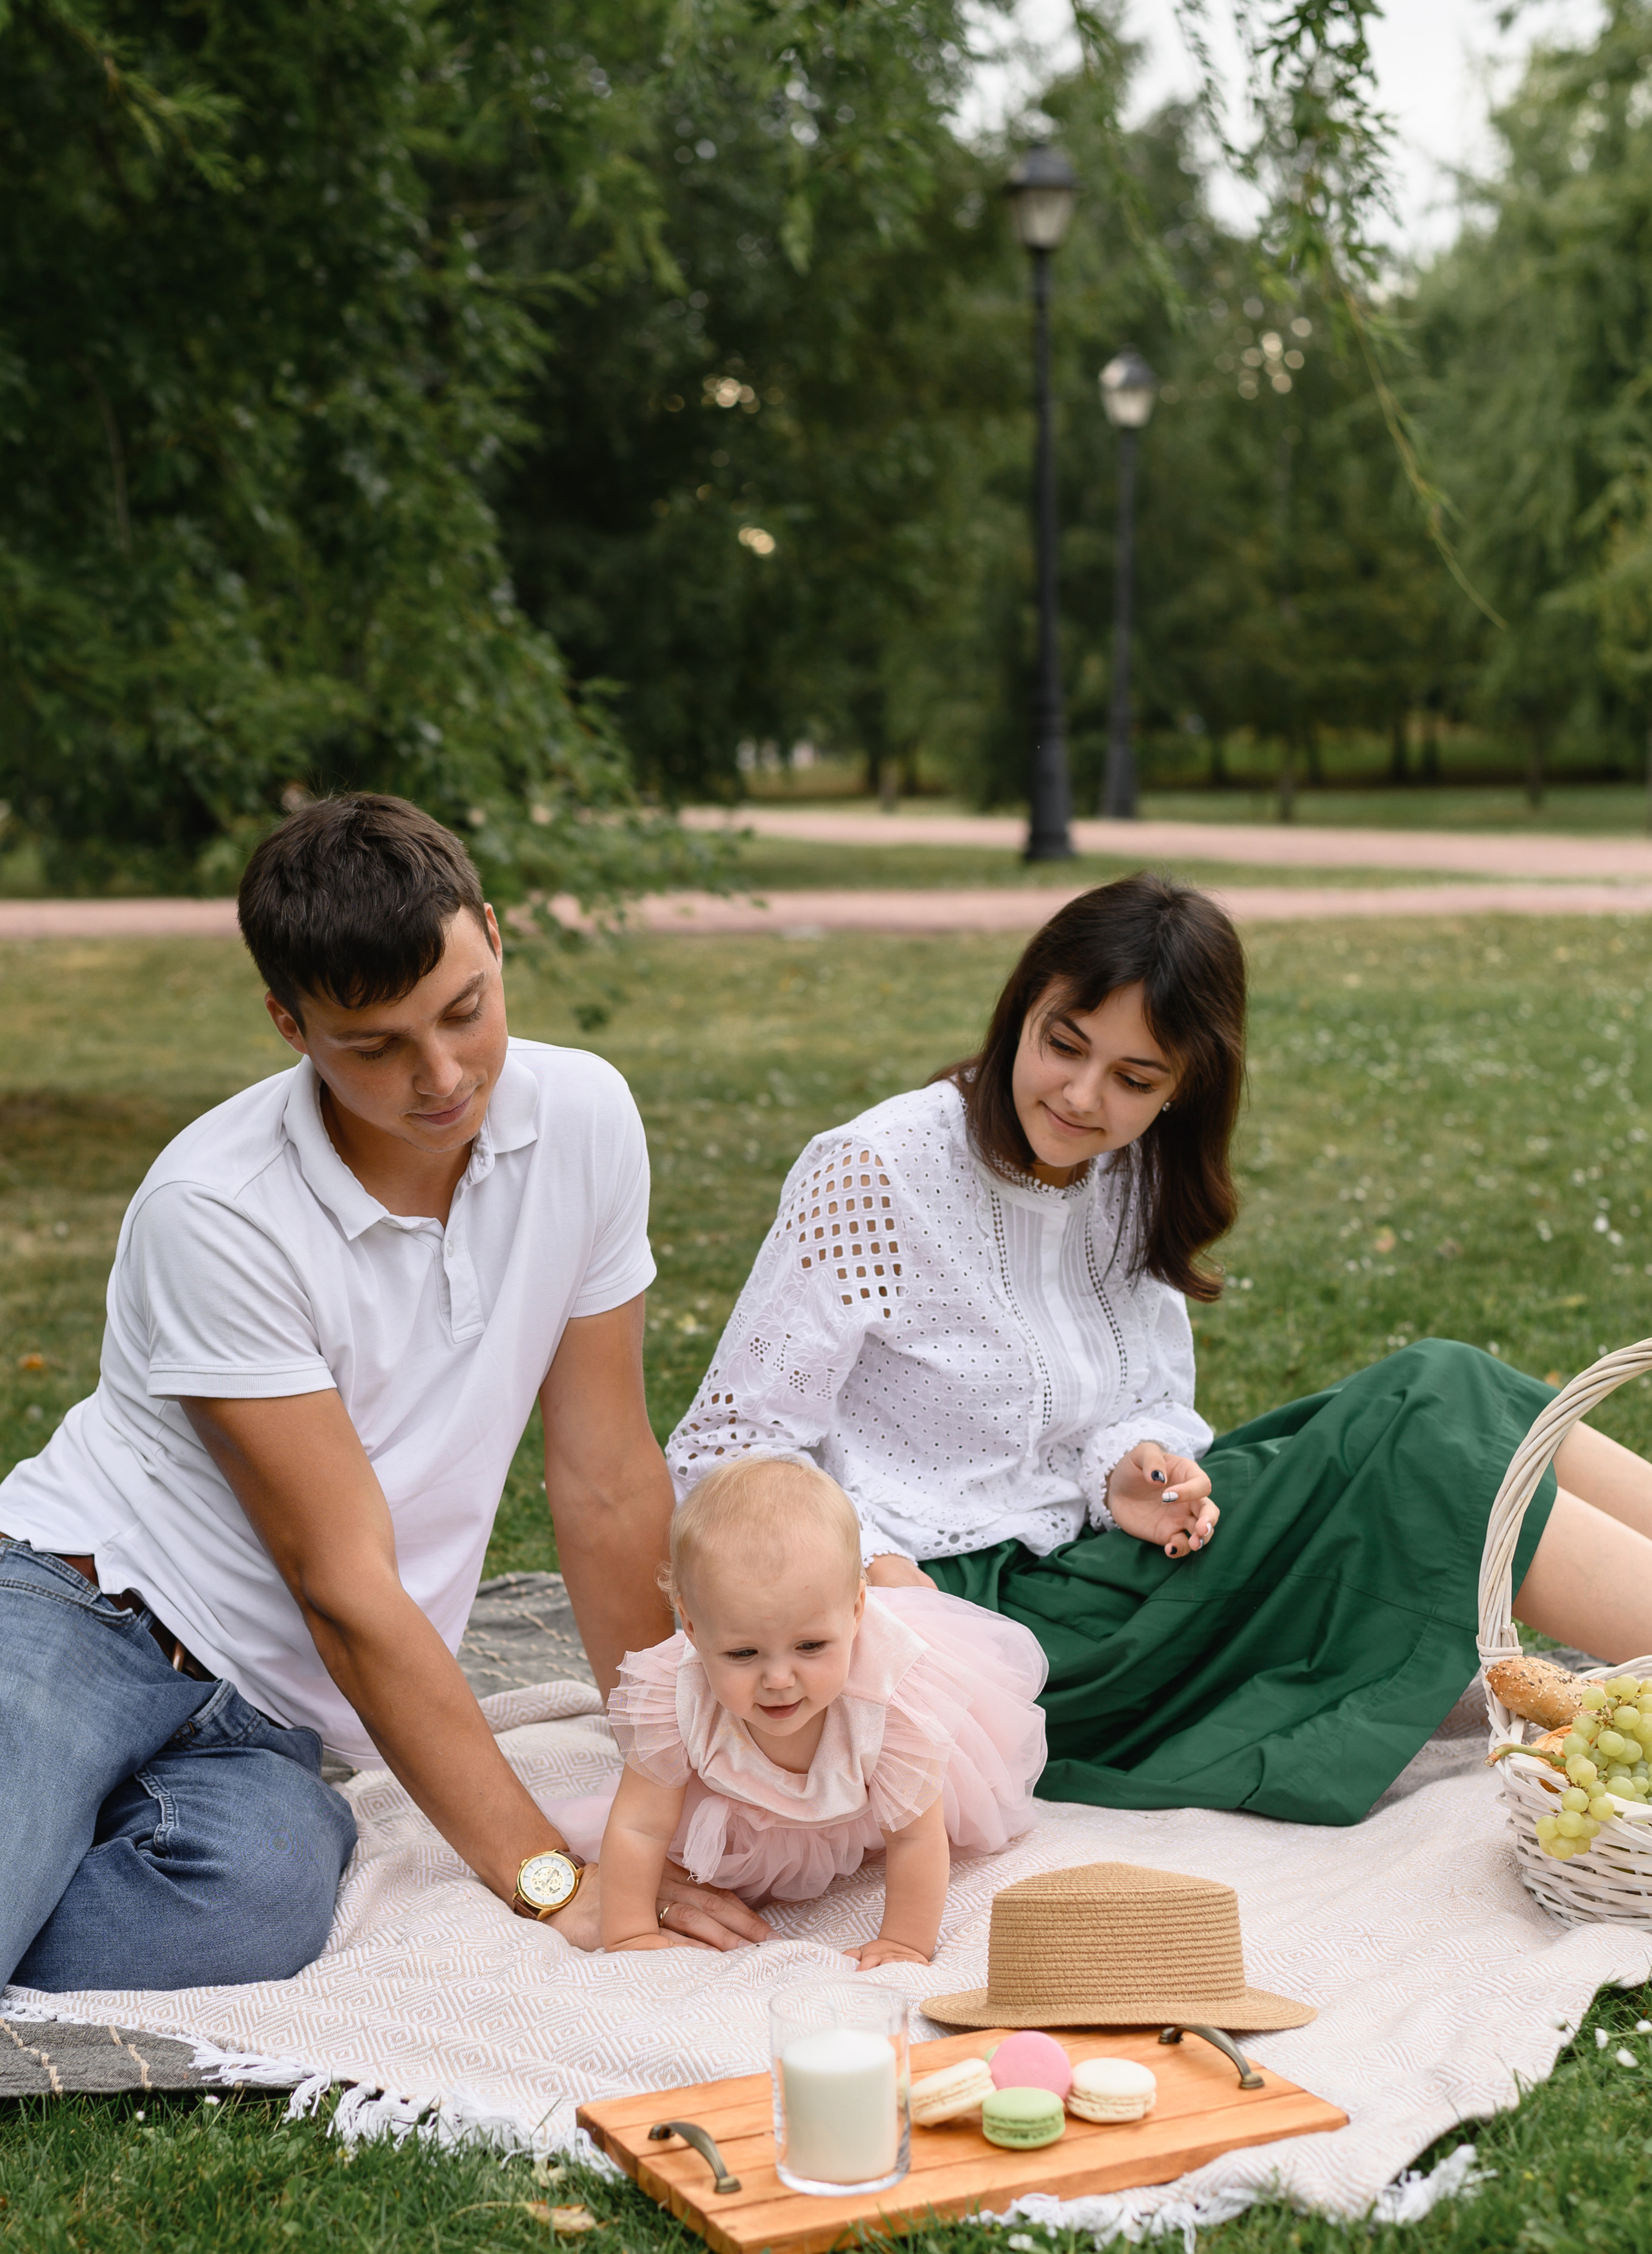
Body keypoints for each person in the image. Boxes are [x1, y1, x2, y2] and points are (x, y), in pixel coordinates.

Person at [669, 872, 1652, 1827]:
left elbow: (1140, 1401)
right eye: (1064, 1043)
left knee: (1446, 1377)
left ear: (1185, 1085)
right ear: (1021, 1008)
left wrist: (1126, 1470)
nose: (1082, 1095)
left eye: (1134, 1079)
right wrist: (874, 1571)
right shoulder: (875, 1172)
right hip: (968, 1624)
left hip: (1100, 1558)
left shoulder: (1129, 1170)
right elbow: (727, 1449)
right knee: (1434, 1462)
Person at [0, 794, 765, 1992]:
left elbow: (610, 1479)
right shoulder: (217, 1209)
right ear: (288, 1022)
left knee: (251, 1916)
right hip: (79, 1611)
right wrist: (551, 1876)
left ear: (495, 938)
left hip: (267, 1722)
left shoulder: (583, 1120)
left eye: (465, 1010)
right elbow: (344, 1583)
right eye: (375, 1046)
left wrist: (679, 1772)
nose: (442, 1075)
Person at [586, 1453, 1047, 1966]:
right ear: (692, 1629)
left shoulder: (893, 1697)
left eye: (810, 1646)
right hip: (743, 1800)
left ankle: (842, 1820)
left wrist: (904, 1942)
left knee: (906, 1812)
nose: (779, 1680)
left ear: (856, 1610)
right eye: (743, 1653)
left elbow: (915, 1837)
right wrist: (628, 1932)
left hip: (861, 1783)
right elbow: (640, 1825)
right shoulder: (675, 1693)